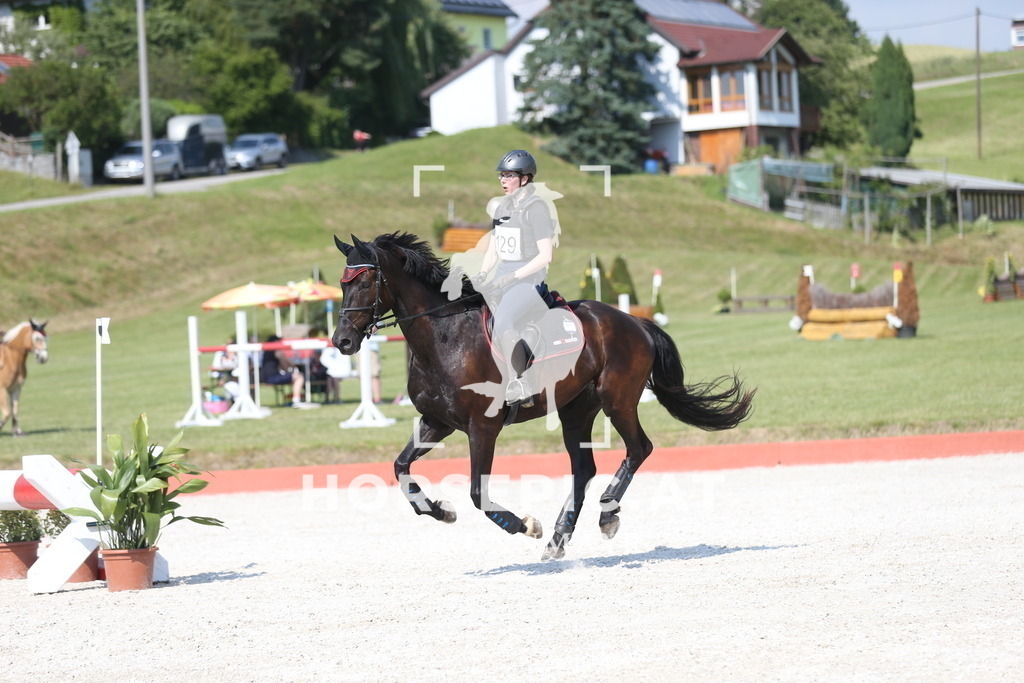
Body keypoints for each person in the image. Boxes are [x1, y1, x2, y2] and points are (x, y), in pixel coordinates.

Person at [445, 149, 561, 408]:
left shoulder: (537, 209)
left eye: (508, 175)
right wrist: (484, 274)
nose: (502, 180)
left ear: (525, 178)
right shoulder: (503, 206)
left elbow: (546, 256)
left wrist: (511, 279)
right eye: (502, 175)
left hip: (529, 282)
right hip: (501, 277)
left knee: (504, 320)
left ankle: (522, 381)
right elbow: (495, 248)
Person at [260, 334, 306, 406]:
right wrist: (292, 367)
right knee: (299, 376)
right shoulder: (276, 351)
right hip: (272, 377)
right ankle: (296, 400)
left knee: (295, 376)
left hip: (266, 377)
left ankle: (295, 399)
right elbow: (285, 363)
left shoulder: (266, 352)